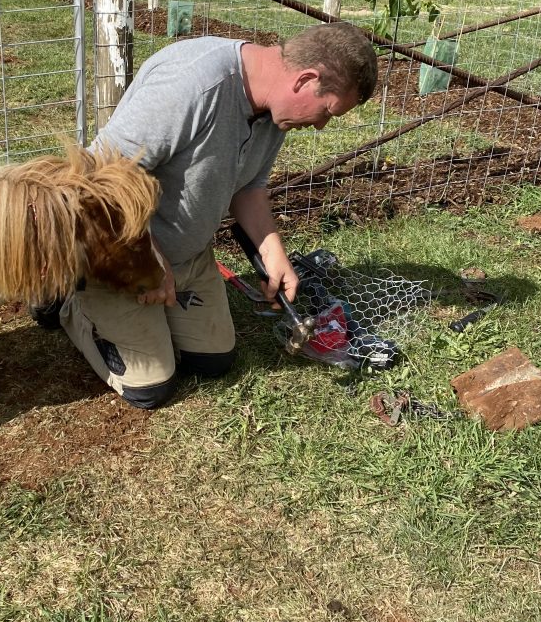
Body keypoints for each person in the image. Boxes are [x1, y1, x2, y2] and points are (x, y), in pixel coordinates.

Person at [46, 24, 378, 409]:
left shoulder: (274, 109)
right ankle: (69, 299)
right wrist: (152, 262)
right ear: (306, 80)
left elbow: (249, 187)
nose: (321, 125)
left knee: (214, 362)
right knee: (151, 388)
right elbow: (97, 183)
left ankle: (153, 314)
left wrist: (275, 256)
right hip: (125, 256)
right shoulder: (191, 85)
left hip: (188, 257)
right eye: (328, 112)